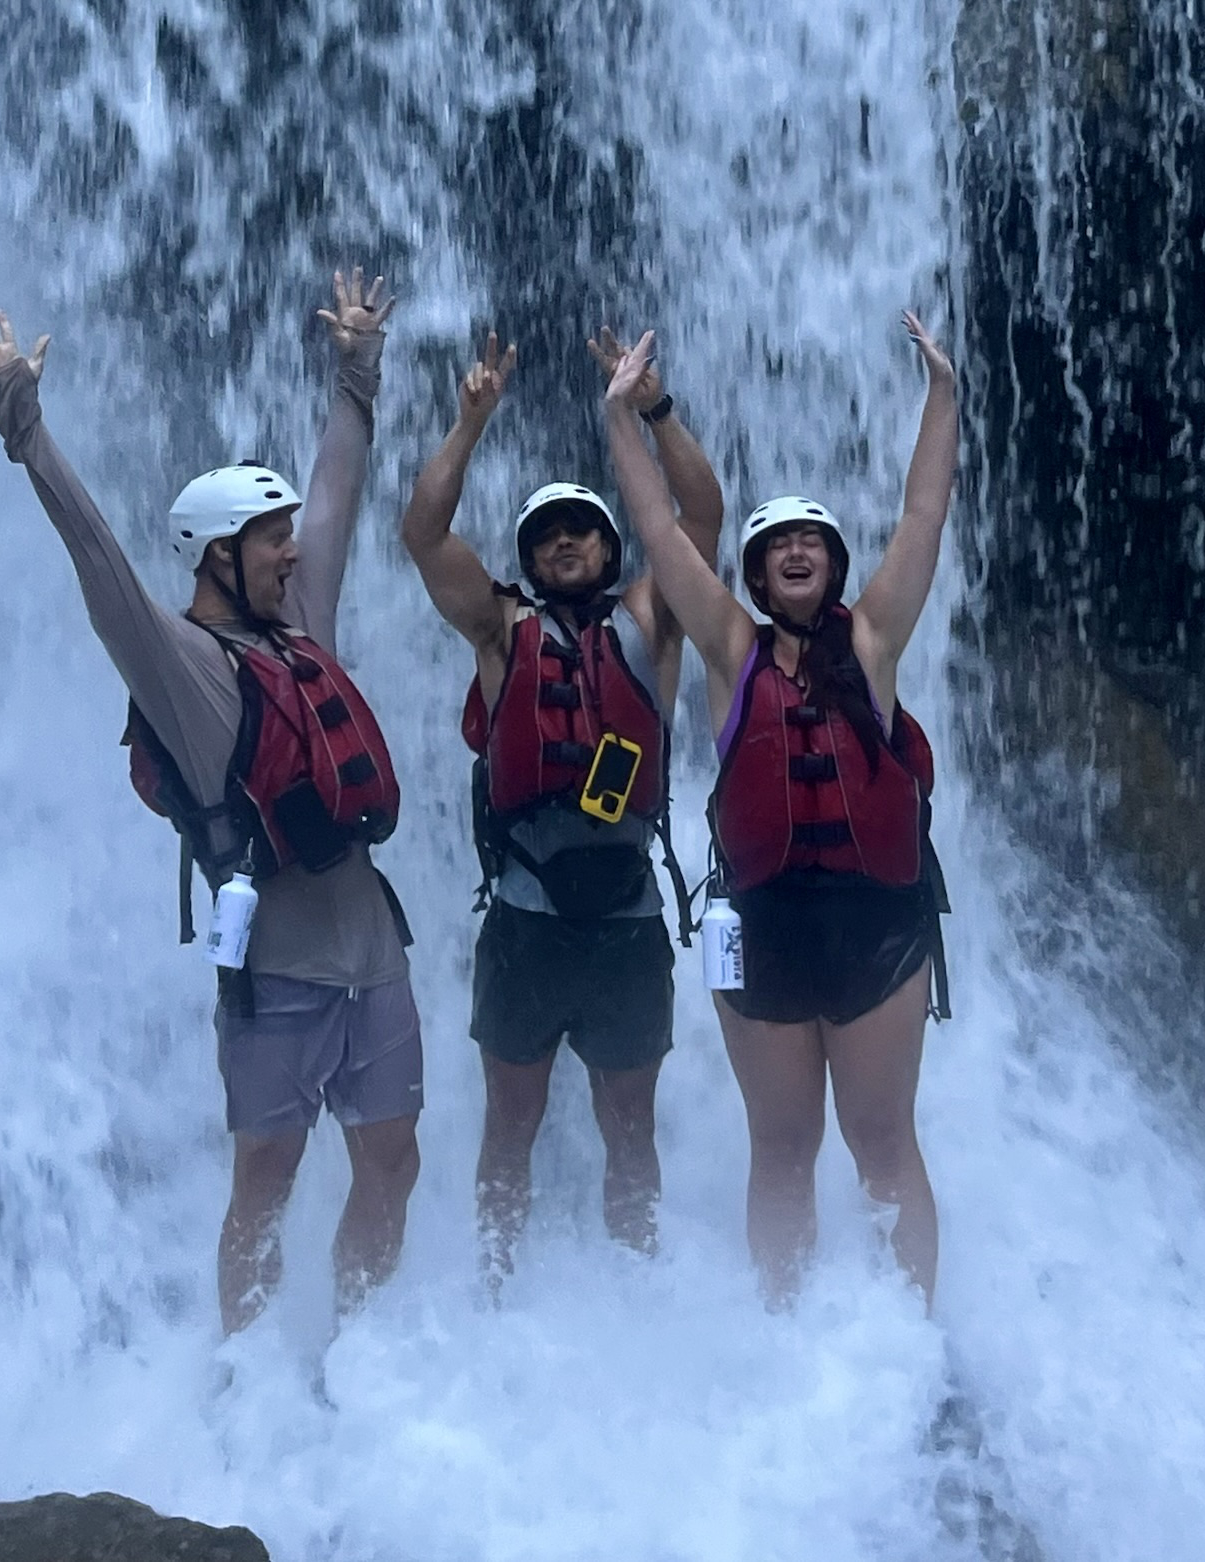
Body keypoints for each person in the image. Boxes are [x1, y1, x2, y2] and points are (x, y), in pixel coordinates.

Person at [0, 270, 421, 1339]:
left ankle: (361, 1352)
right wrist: (22, 420)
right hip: (279, 974)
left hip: (374, 954)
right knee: (265, 1181)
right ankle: (245, 1376)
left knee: (393, 1163)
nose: (294, 550)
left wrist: (357, 372)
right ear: (220, 556)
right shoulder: (181, 666)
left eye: (287, 536)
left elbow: (339, 496)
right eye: (271, 539)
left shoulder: (299, 624)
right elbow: (96, 556)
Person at [602, 314, 957, 1307]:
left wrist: (943, 395)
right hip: (762, 930)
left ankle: (914, 1341)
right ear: (756, 574)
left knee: (884, 1142)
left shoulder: (875, 639)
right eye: (776, 545)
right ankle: (786, 1329)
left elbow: (923, 515)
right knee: (784, 1145)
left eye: (812, 541)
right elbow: (662, 532)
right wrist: (620, 417)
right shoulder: (730, 646)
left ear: (833, 564)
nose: (797, 551)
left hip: (875, 927)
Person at [401, 325, 723, 1278]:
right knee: (510, 1125)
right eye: (546, 535)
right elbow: (423, 535)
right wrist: (469, 424)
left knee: (631, 1129)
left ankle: (637, 1278)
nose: (565, 541)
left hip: (626, 919)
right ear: (529, 559)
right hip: (526, 920)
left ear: (610, 545)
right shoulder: (500, 631)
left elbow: (703, 515)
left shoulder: (652, 623)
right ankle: (495, 1281)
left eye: (581, 528)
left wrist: (655, 411)